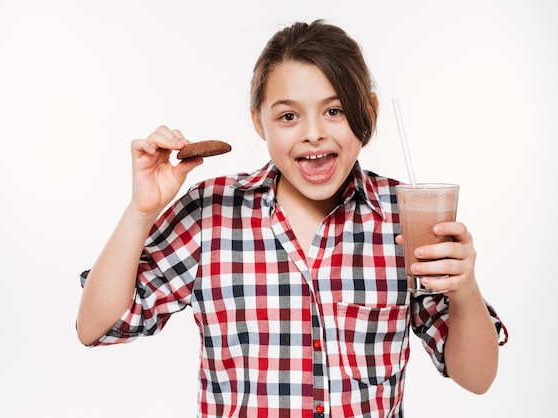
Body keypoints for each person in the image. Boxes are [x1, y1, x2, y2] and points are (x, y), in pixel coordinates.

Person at [76, 19, 507, 417]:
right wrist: (141, 210)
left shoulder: (404, 216)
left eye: (334, 110)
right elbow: (96, 327)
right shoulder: (212, 212)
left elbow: (477, 377)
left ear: (367, 112)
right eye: (288, 116)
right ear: (259, 123)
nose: (313, 132)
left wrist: (464, 287)